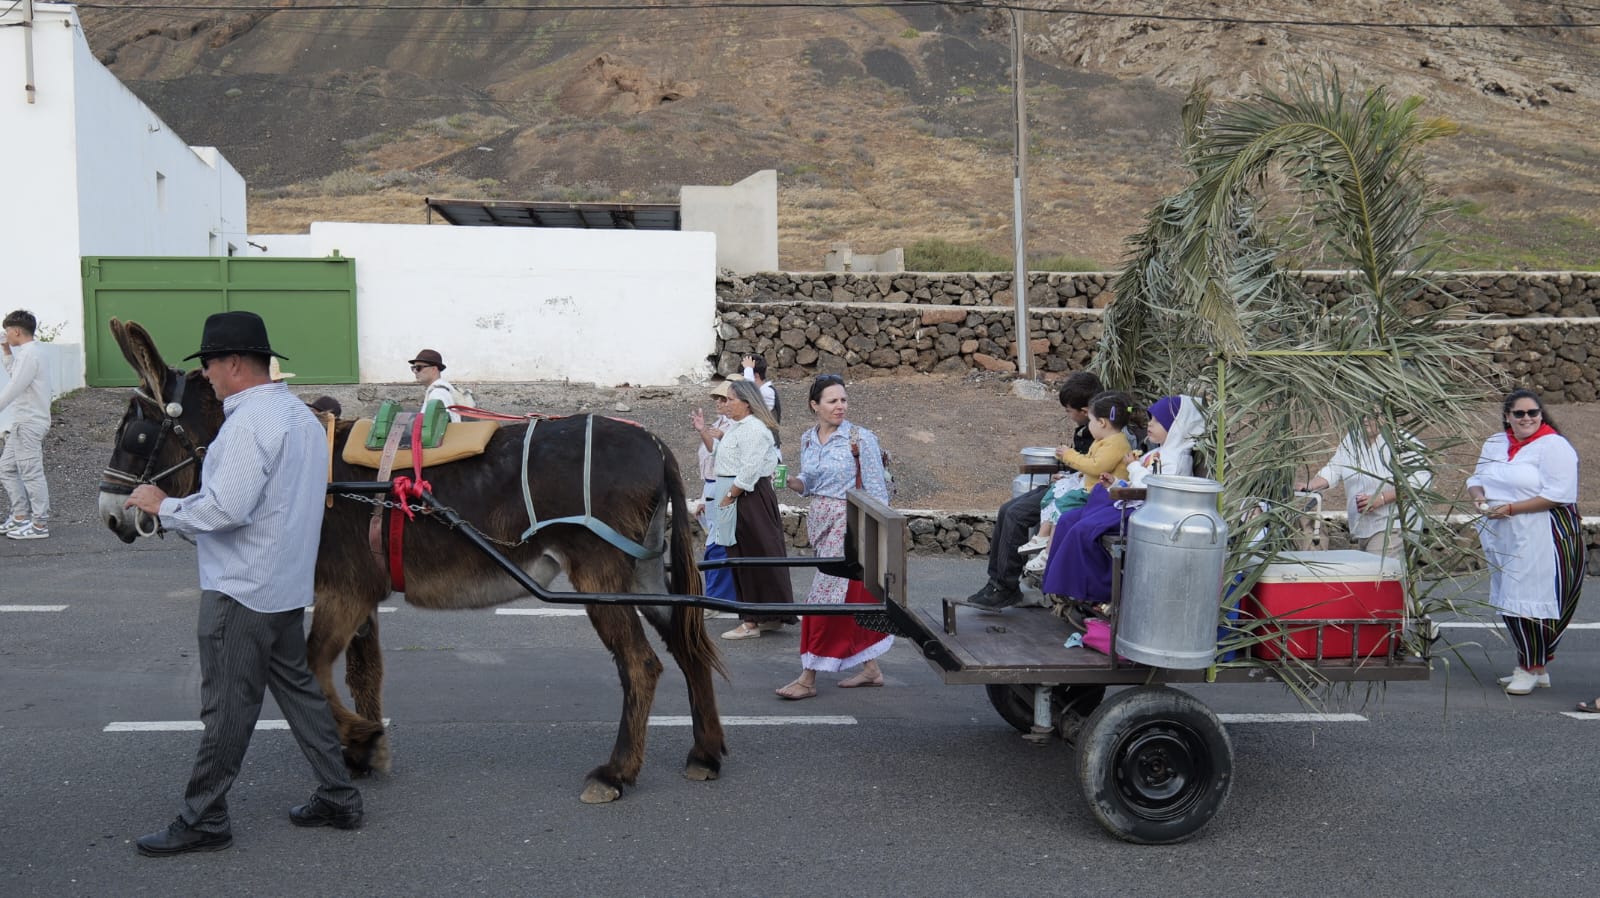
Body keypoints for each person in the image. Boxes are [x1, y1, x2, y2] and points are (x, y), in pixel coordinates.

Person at [124, 311, 363, 856]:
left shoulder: (248, 424)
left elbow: (225, 509)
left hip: (241, 589)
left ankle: (204, 818)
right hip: (283, 586)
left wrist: (163, 505)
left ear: (233, 363)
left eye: (208, 363)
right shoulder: (300, 418)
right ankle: (339, 795)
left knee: (227, 708)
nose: (205, 374)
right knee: (300, 694)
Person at [775, 374, 893, 699]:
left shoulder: (860, 438)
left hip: (850, 525)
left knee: (823, 599)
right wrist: (789, 482)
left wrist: (873, 537)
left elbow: (878, 492)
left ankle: (807, 678)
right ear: (815, 405)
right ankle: (871, 669)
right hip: (821, 523)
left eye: (843, 400)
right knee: (846, 598)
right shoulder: (808, 438)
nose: (840, 406)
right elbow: (809, 484)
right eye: (832, 401)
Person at [1465, 389, 1586, 698]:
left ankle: (1530, 668)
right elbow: (1476, 479)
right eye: (1519, 413)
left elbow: (1559, 494)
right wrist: (1480, 500)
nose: (1527, 418)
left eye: (1533, 412)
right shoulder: (1495, 443)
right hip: (1503, 534)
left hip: (1543, 533)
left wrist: (1510, 508)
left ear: (1541, 414)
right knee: (1511, 598)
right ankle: (1535, 666)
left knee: (1534, 601)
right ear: (1508, 416)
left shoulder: (1554, 446)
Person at [1043, 395, 1203, 623]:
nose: (1150, 424)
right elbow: (1139, 485)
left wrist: (1134, 467)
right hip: (1129, 504)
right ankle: (1062, 586)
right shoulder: (1158, 452)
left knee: (1083, 530)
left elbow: (1154, 487)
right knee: (1068, 519)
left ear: (1175, 427)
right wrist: (1117, 484)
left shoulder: (1177, 459)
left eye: (1157, 422)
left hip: (1143, 514)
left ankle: (1093, 591)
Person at [962, 370, 1103, 611]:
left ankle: (1005, 588)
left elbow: (1098, 467)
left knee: (1017, 514)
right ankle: (996, 581)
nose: (1068, 416)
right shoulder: (1086, 428)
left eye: (1069, 411)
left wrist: (1072, 465)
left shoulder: (1103, 432)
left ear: (1085, 409)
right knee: (1007, 509)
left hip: (1081, 494)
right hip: (1068, 483)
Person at [1019, 390, 1136, 575]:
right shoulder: (1104, 440)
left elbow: (1096, 467)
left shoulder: (1116, 443)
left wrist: (1069, 455)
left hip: (1101, 495)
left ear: (1102, 422)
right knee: (1055, 492)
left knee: (1065, 504)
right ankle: (1042, 535)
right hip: (1090, 486)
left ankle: (1049, 551)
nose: (1089, 425)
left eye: (1091, 421)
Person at [715, 379, 797, 639]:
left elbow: (749, 469)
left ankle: (751, 620)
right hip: (744, 496)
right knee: (757, 554)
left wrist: (730, 495)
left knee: (748, 556)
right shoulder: (742, 427)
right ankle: (769, 615)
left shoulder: (753, 429)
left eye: (730, 399)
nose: (726, 403)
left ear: (746, 403)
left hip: (747, 498)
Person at [1295, 417, 1431, 558]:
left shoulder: (1402, 441)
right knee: (1382, 576)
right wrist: (1309, 486)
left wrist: (1382, 498)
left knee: (1376, 575)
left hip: (1393, 526)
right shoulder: (1352, 439)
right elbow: (1334, 469)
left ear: (1386, 416)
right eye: (1363, 413)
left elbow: (1421, 481)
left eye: (1372, 414)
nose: (1366, 419)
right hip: (1363, 526)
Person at [691, 377, 742, 611]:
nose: (720, 403)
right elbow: (710, 462)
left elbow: (724, 456)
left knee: (718, 546)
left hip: (727, 488)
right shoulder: (721, 423)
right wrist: (703, 498)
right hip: (713, 487)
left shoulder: (739, 427)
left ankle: (717, 598)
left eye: (726, 399)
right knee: (715, 544)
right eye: (719, 399)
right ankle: (718, 596)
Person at [0, 309, 52, 541]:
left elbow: (13, 388)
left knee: (31, 473)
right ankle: (20, 516)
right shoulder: (29, 354)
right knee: (7, 468)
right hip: (23, 422)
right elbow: (16, 376)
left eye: (7, 331)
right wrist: (6, 350)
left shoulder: (31, 354)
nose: (5, 335)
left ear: (16, 331)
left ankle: (39, 524)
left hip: (29, 423)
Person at [409, 348, 461, 422]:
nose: (415, 371)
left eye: (418, 368)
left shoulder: (438, 393)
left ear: (434, 369)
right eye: (413, 368)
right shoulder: (438, 390)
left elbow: (442, 424)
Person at [742, 353, 781, 422]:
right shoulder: (761, 390)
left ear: (755, 376)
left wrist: (748, 369)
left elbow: (748, 394)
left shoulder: (767, 391)